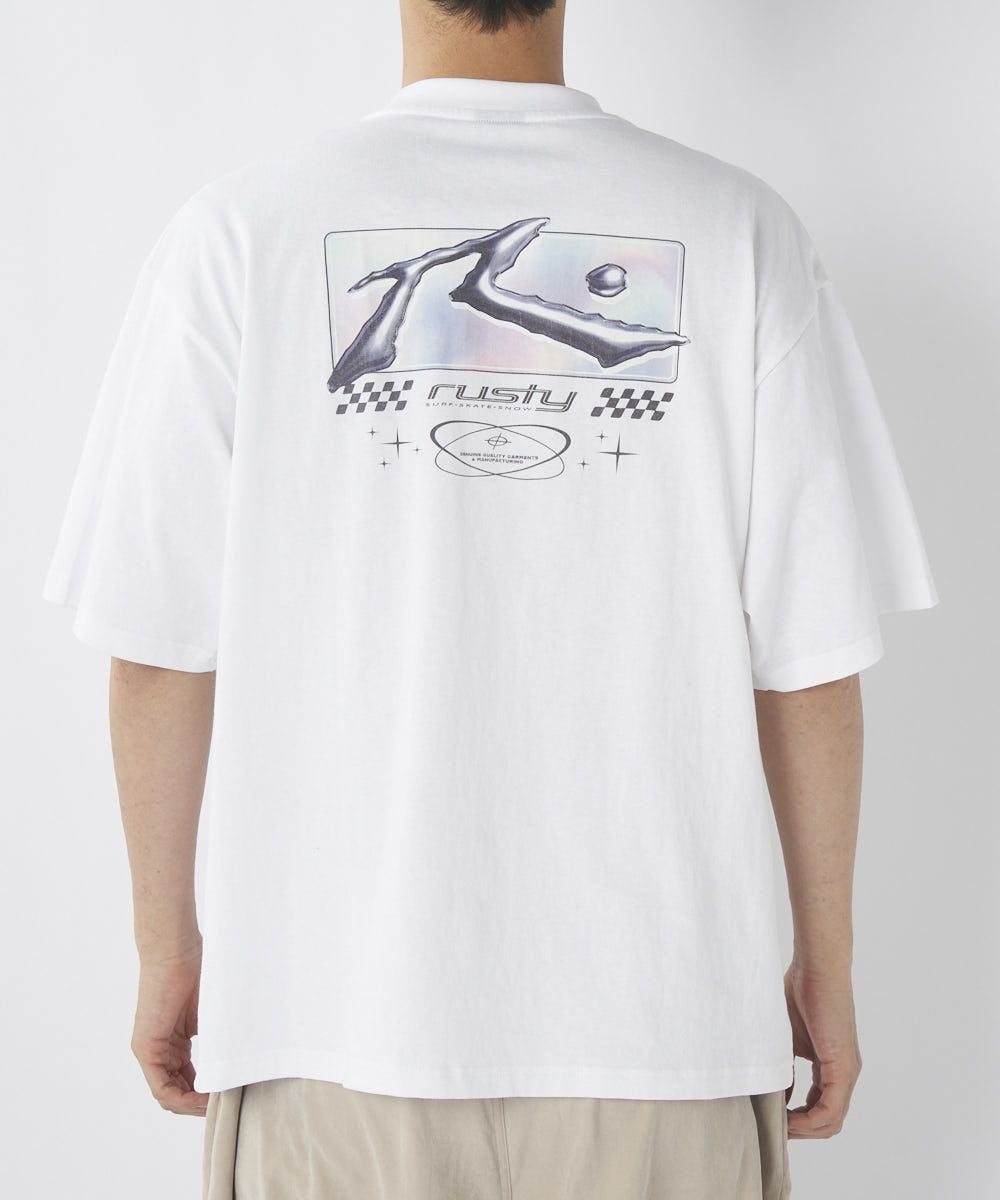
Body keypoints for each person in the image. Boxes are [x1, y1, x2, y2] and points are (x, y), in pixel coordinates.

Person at [41, 1, 939, 1196]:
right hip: (661, 1029)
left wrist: (168, 951)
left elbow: (158, 655)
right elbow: (807, 662)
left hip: (330, 1024)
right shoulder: (737, 230)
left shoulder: (240, 233)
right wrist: (825, 964)